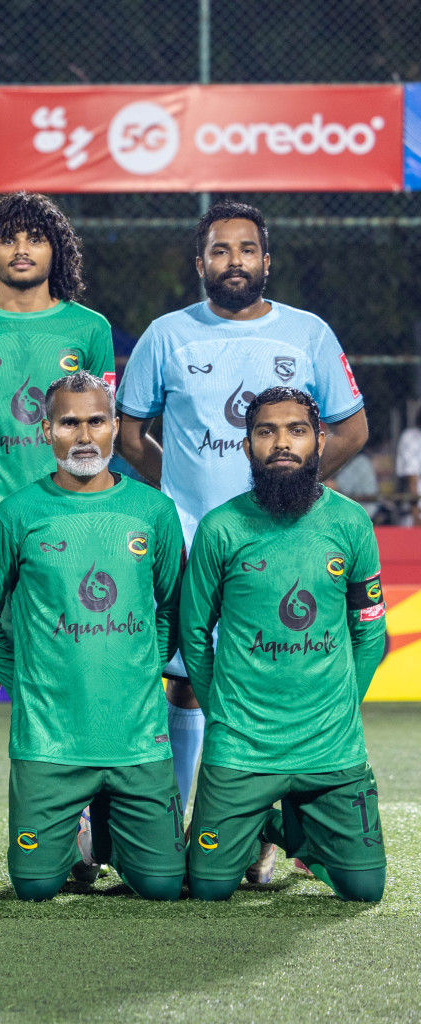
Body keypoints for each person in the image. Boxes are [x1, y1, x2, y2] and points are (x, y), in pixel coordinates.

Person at [116, 201, 370, 860]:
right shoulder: (166, 335)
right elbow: (126, 431)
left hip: (283, 539)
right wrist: (174, 488)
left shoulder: (308, 332)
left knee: (278, 676)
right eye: (220, 251)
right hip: (193, 538)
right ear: (200, 263)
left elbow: (353, 428)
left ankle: (278, 830)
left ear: (266, 260)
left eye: (247, 249)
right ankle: (174, 824)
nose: (235, 262)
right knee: (187, 678)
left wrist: (299, 490)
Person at [0, 192, 114, 878]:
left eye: (36, 238)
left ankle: (83, 833)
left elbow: (99, 431)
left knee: (77, 679)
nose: (22, 249)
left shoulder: (89, 329)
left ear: (56, 251)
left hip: (69, 533)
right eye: (8, 239)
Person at [0, 371, 186, 901]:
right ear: (46, 431)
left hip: (136, 738)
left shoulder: (154, 511)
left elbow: (173, 608)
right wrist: (24, 682)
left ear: (116, 427)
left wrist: (143, 669)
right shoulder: (15, 515)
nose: (84, 436)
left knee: (162, 886)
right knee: (36, 887)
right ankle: (79, 832)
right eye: (69, 423)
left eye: (96, 421)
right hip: (50, 741)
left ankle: (103, 837)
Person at [181, 387, 386, 903]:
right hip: (242, 745)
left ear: (318, 439)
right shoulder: (221, 527)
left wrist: (343, 705)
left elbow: (369, 629)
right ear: (247, 444)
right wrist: (219, 710)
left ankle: (290, 830)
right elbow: (193, 633)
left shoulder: (351, 523)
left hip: (331, 747)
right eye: (266, 431)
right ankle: (263, 827)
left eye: (296, 430)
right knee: (208, 887)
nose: (282, 443)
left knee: (364, 889)